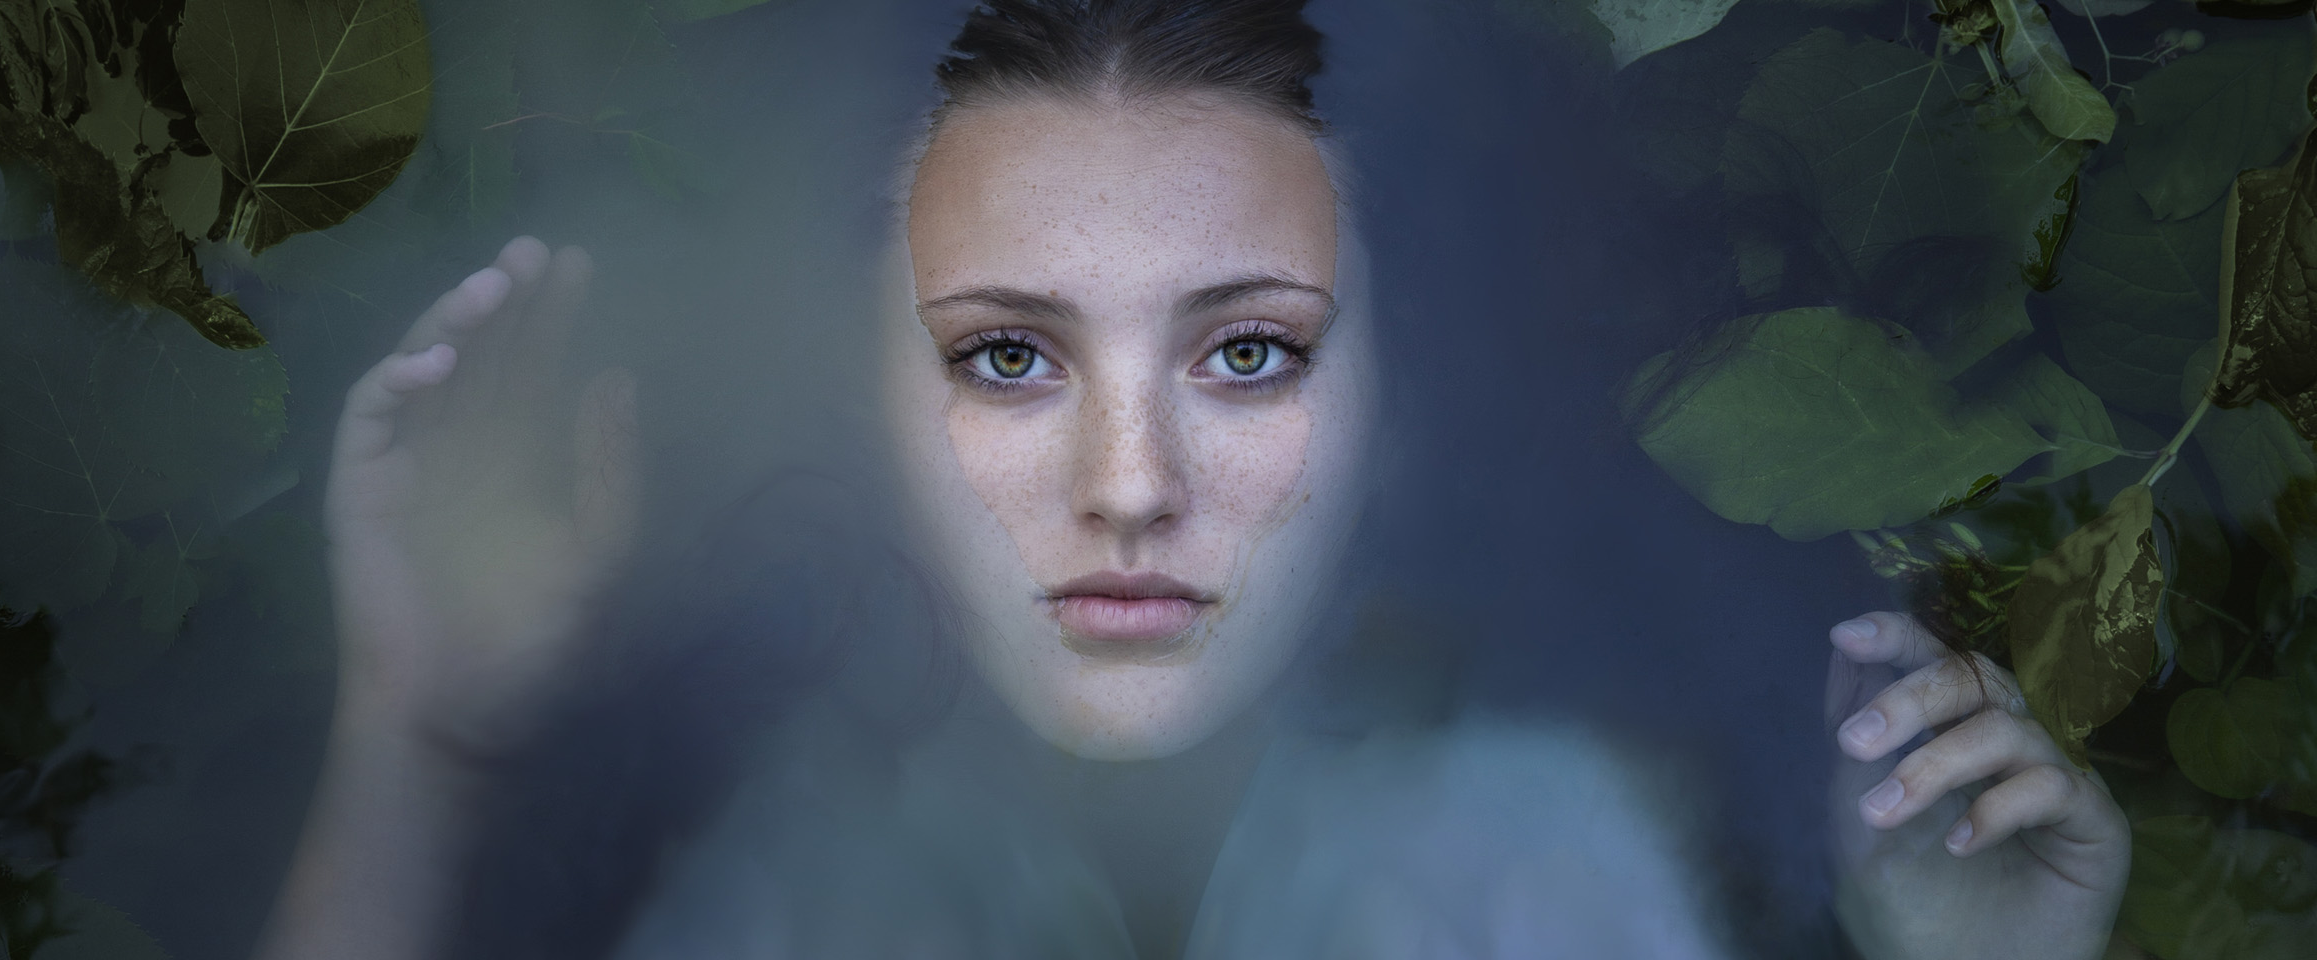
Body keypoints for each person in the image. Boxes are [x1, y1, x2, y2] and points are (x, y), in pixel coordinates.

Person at [257, 1, 2132, 957]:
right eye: (1008, 354)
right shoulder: (770, 886)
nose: (1131, 484)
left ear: (1396, 410)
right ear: (874, 412)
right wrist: (424, 728)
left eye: (1249, 353)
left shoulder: (1543, 868)